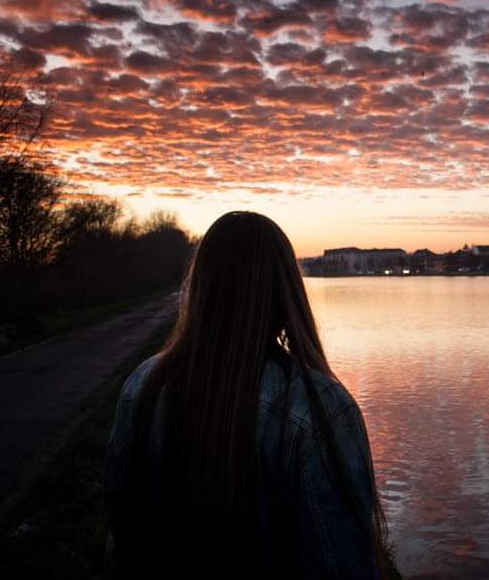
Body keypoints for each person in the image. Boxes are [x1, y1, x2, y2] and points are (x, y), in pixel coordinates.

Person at [104, 211, 388, 577]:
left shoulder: (141, 386)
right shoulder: (321, 407)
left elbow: (123, 538)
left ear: (200, 286)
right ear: (286, 291)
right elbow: (343, 565)